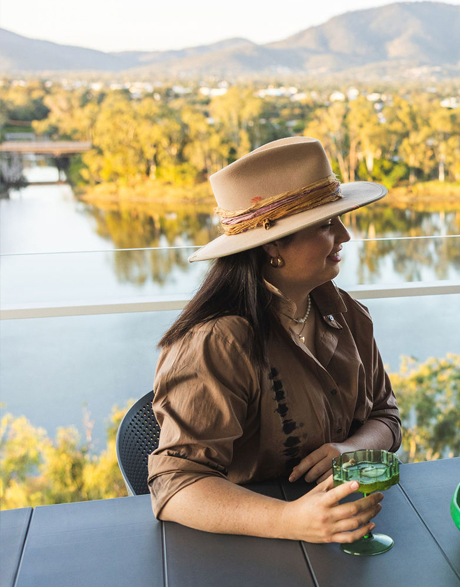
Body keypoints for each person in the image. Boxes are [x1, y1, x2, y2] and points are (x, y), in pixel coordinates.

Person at [148, 136, 402, 544]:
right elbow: (175, 487)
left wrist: (350, 448)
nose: (345, 236)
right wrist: (290, 520)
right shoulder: (218, 342)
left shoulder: (348, 315)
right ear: (272, 247)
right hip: (243, 549)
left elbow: (386, 418)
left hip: (339, 533)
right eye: (325, 224)